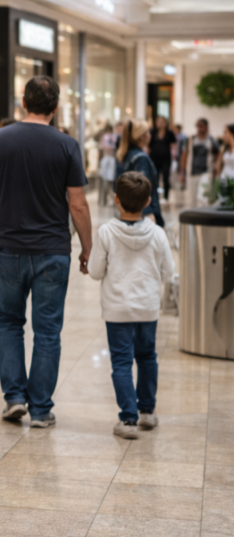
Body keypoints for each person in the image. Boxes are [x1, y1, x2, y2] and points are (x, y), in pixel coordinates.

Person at [0, 76, 92, 428]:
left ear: (23, 102)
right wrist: (87, 248)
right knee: (48, 330)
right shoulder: (68, 146)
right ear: (55, 108)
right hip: (53, 251)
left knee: (9, 322)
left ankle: (14, 399)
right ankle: (40, 410)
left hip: (8, 247)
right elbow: (79, 204)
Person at [88, 171, 174, 439]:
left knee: (122, 362)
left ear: (116, 199)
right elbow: (168, 273)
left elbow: (94, 271)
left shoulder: (106, 233)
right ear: (148, 200)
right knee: (147, 356)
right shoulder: (158, 234)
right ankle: (147, 412)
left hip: (117, 309)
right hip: (147, 308)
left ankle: (128, 420)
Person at [117, 119, 164, 227]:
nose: (150, 134)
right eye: (147, 131)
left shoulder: (124, 155)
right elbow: (142, 190)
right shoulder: (140, 158)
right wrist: (149, 214)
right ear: (142, 136)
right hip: (142, 217)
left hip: (127, 213)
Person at [182, 118, 219, 207]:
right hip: (192, 172)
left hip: (206, 172)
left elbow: (218, 155)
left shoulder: (212, 140)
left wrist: (216, 169)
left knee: (202, 196)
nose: (199, 128)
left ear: (206, 127)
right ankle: (194, 218)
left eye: (201, 126)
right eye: (197, 126)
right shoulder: (190, 139)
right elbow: (184, 155)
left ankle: (203, 217)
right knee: (192, 198)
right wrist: (181, 172)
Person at [148, 116, 176, 202]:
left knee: (166, 177)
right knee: (154, 177)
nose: (160, 123)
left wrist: (174, 156)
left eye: (162, 121)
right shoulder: (152, 132)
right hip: (154, 158)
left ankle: (166, 197)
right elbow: (148, 146)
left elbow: (174, 145)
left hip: (166, 159)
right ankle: (155, 196)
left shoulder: (169, 133)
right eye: (158, 121)